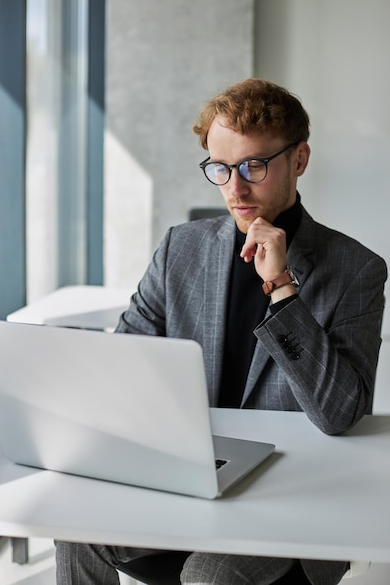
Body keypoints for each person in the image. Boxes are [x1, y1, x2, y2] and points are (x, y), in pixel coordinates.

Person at [55, 79, 387, 584]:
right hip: (185, 477)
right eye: (220, 168)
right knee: (75, 528)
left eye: (254, 165)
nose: (235, 187)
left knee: (210, 574)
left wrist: (280, 288)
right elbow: (124, 363)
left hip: (292, 496)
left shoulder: (356, 269)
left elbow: (341, 414)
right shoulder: (179, 250)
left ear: (299, 159)